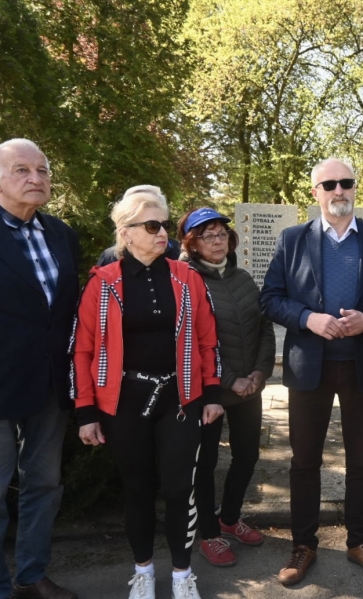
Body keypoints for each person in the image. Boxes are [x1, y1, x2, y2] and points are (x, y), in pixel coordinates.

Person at [71, 186, 223, 599]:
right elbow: (82, 349)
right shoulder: (102, 283)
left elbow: (208, 339)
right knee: (136, 491)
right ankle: (142, 571)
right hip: (122, 403)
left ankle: (182, 574)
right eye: (152, 226)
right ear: (126, 232)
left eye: (164, 225)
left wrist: (212, 392)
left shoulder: (187, 277)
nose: (163, 234)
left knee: (178, 490)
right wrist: (86, 411)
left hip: (180, 399)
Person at [259, 158, 363, 587]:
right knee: (304, 461)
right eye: (330, 184)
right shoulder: (292, 239)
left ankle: (361, 541)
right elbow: (271, 298)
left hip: (361, 365)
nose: (340, 190)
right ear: (315, 192)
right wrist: (308, 319)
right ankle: (303, 545)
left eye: (346, 182)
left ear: (355, 187)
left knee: (361, 461)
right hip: (309, 367)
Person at [0, 139, 80, 599]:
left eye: (43, 170)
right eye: (22, 170)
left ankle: (31, 576)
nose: (36, 178)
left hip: (51, 381)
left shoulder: (62, 234)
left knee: (45, 483)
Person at [178, 207, 275, 567]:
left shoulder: (243, 278)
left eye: (222, 234)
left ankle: (229, 519)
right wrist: (231, 378)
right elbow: (194, 338)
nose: (218, 241)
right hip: (210, 391)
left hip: (249, 388)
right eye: (208, 236)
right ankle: (209, 534)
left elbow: (264, 327)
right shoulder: (186, 281)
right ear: (192, 243)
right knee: (205, 464)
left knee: (247, 455)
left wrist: (260, 372)